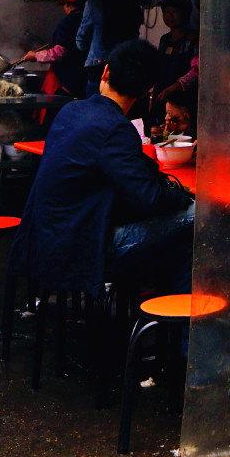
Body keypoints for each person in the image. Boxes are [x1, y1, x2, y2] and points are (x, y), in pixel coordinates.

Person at [12, 40, 195, 296]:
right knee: (196, 214)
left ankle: (157, 305)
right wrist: (179, 194)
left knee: (175, 237)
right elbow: (150, 197)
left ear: (106, 71)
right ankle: (178, 316)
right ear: (147, 90)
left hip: (42, 238)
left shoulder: (71, 111)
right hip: (80, 248)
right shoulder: (116, 128)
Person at [75, 0, 142, 96]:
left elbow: (81, 41)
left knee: (95, 105)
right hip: (124, 65)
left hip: (98, 66)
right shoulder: (133, 4)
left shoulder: (94, 4)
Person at [22, 0, 85, 97]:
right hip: (84, 78)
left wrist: (35, 56)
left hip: (68, 82)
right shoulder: (88, 19)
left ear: (67, 4)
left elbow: (59, 53)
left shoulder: (67, 23)